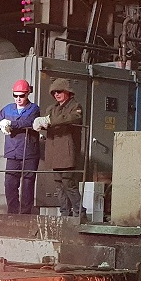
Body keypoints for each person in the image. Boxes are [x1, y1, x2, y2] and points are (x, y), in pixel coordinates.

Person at [0, 79, 42, 214]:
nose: (18, 98)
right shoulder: (8, 108)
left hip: (28, 153)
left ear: (28, 94)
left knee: (27, 185)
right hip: (12, 152)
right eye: (15, 95)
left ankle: (25, 214)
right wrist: (1, 124)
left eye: (22, 95)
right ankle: (12, 212)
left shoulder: (34, 109)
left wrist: (10, 123)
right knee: (10, 184)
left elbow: (28, 121)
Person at [35, 78, 85, 218]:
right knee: (59, 184)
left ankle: (79, 212)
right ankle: (64, 213)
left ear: (67, 92)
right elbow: (49, 123)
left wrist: (50, 120)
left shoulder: (75, 106)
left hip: (67, 151)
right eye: (54, 92)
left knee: (69, 183)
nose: (56, 94)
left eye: (59, 91)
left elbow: (73, 118)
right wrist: (41, 123)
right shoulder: (52, 108)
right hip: (54, 150)